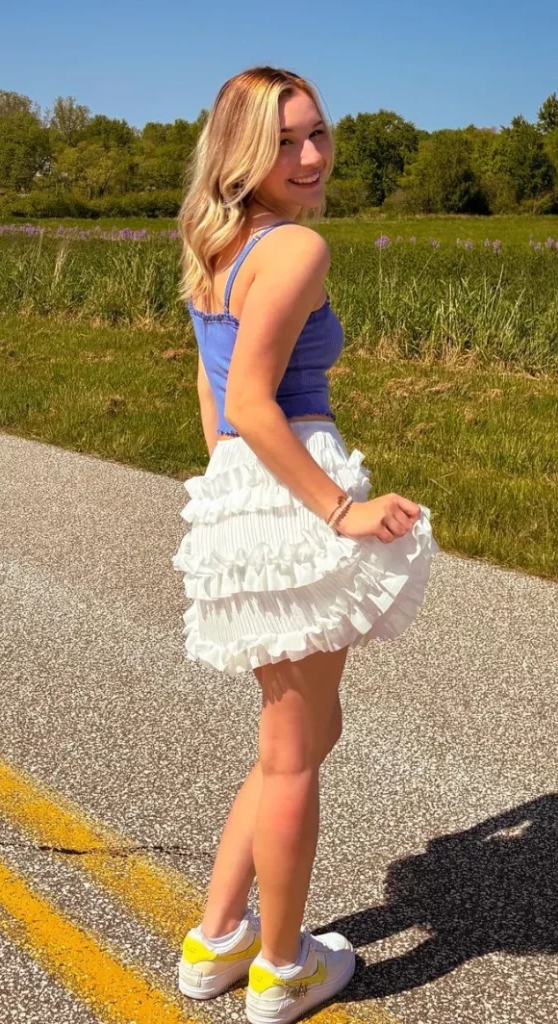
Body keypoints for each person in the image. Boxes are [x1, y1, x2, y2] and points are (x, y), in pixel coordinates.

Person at [172, 65, 440, 1024]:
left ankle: (217, 939)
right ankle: (282, 972)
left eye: (319, 133)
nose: (314, 156)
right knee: (295, 750)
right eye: (287, 142)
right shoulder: (294, 247)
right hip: (293, 487)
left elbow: (214, 392)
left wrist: (231, 482)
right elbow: (251, 398)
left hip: (252, 489)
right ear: (244, 151)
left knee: (297, 734)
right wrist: (337, 510)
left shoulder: (213, 241)